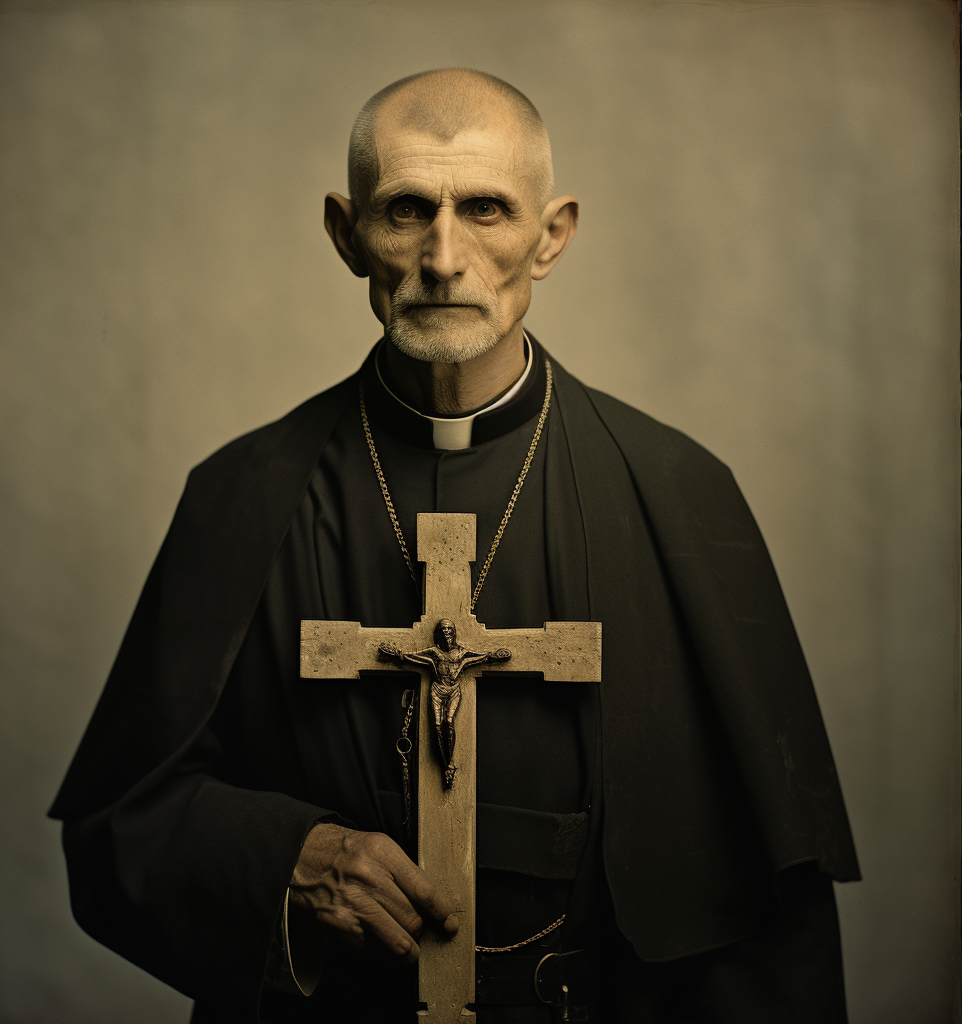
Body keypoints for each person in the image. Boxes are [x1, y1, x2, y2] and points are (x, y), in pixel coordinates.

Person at [49, 69, 860, 1023]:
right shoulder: (243, 494)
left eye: (484, 209)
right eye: (404, 211)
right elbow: (119, 825)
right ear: (346, 235)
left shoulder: (680, 493)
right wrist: (284, 859)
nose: (443, 257)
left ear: (550, 236)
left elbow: (772, 905)